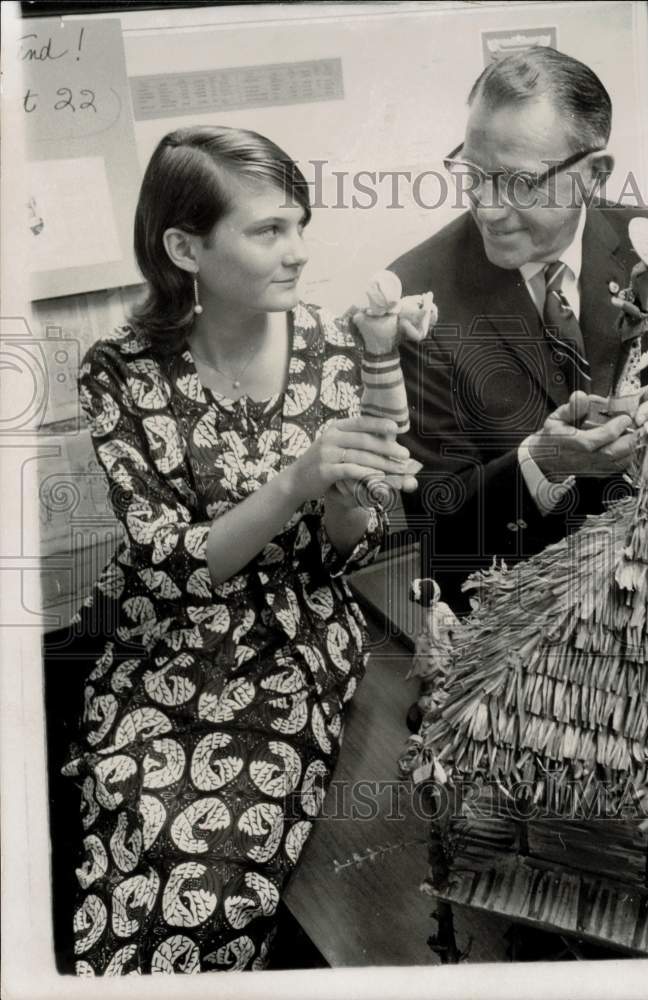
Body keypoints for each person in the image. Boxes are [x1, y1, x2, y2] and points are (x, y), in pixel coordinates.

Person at [60, 125, 431, 976]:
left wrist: (344, 502)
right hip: (162, 648)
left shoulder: (336, 349)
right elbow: (166, 563)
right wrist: (295, 481)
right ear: (184, 246)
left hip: (290, 654)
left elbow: (345, 551)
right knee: (133, 849)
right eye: (267, 230)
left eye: (299, 225)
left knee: (214, 893)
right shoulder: (116, 371)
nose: (298, 252)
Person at [390, 46, 648, 610]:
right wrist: (542, 461)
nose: (487, 209)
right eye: (474, 174)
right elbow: (437, 525)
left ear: (594, 175)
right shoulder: (417, 297)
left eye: (518, 184)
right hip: (503, 600)